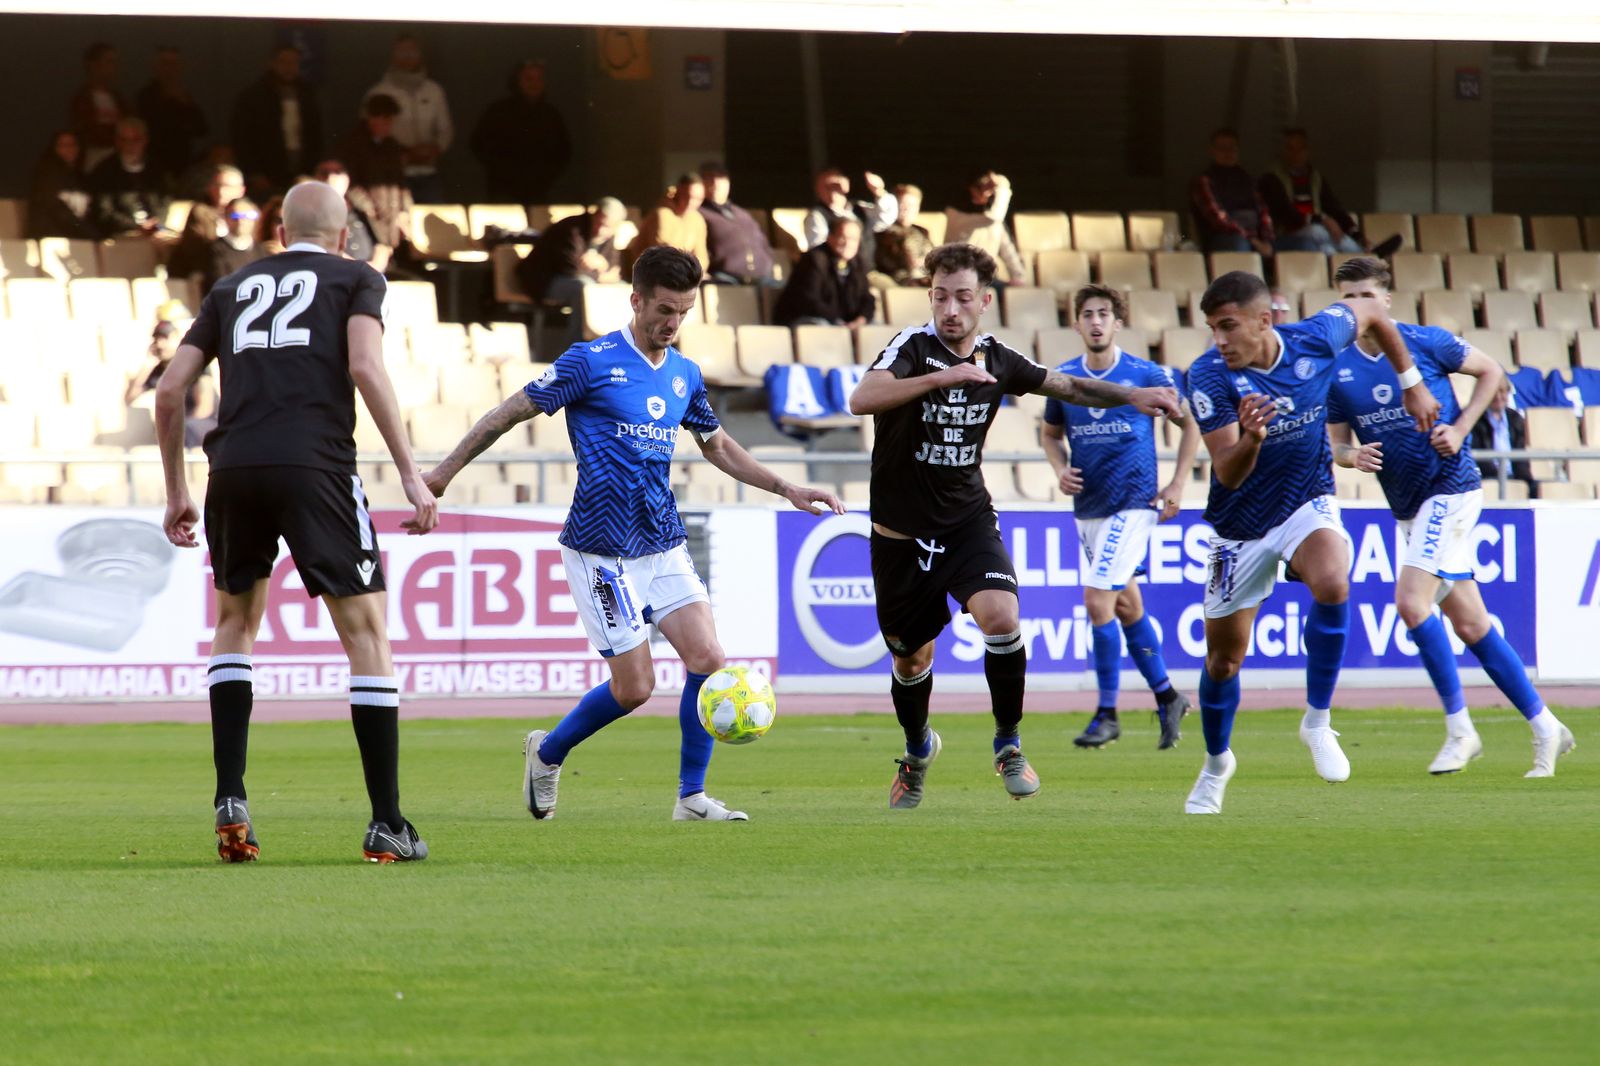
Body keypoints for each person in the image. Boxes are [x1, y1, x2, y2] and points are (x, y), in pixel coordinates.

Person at [421, 246, 843, 823]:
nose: (672, 323)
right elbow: (507, 413)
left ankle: (691, 798)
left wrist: (786, 488)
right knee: (635, 688)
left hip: (662, 540)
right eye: (664, 309)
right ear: (636, 300)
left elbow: (716, 446)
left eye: (684, 311)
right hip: (601, 549)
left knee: (707, 655)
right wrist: (442, 473)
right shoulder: (588, 361)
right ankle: (546, 754)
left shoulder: (684, 373)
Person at [154, 180, 438, 863]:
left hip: (235, 469)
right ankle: (388, 822)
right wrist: (408, 470)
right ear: (344, 235)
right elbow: (365, 366)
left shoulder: (230, 288)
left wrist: (176, 493)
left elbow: (168, 392)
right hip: (316, 466)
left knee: (233, 625)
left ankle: (230, 796)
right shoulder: (356, 278)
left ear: (280, 233)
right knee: (366, 633)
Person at [847, 244, 1180, 810]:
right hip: (901, 538)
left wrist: (1133, 395)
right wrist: (942, 378)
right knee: (912, 659)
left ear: (985, 302)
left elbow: (1068, 388)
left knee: (1001, 618)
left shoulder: (999, 359)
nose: (950, 308)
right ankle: (917, 751)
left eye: (962, 297)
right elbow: (863, 397)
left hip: (966, 524)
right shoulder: (913, 347)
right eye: (940, 296)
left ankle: (1008, 742)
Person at [1181, 271, 1439, 815]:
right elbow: (1227, 474)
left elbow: (1371, 311)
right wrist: (1252, 436)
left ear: (1264, 320)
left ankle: (1317, 721)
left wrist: (1412, 380)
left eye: (1228, 326)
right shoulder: (1207, 376)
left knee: (1332, 580)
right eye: (1212, 328)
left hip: (1305, 500)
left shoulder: (1316, 337)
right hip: (1239, 524)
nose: (1220, 340)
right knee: (1224, 662)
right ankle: (1216, 762)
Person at [1326, 257, 1575, 777]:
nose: (1358, 307)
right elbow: (1336, 444)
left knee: (1411, 603)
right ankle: (1547, 727)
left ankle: (1461, 731)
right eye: (1348, 298)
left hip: (1451, 488)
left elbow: (1492, 371)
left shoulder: (1426, 341)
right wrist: (1352, 458)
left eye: (1367, 295)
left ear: (1386, 300)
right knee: (1471, 623)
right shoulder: (1339, 367)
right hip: (1409, 507)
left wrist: (1461, 429)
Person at [1040, 285, 1198, 750]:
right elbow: (1050, 435)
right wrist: (1059, 468)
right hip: (1088, 507)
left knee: (1097, 601)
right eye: (1087, 314)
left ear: (1117, 322)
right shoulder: (1064, 379)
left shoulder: (1145, 374)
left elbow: (1189, 423)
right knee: (1127, 606)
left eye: (1103, 314)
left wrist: (1177, 484)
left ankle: (1106, 713)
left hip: (1134, 503)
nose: (1095, 322)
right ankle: (1168, 696)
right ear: (1076, 324)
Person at [515, 197, 625, 345]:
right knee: (584, 287)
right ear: (594, 214)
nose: (600, 229)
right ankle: (577, 348)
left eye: (607, 226)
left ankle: (615, 345)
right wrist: (599, 275)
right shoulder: (572, 229)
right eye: (599, 223)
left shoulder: (609, 234)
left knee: (622, 287)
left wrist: (601, 266)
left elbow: (613, 268)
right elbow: (570, 269)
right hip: (544, 280)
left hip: (581, 277)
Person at [362, 34, 452, 203]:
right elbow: (370, 134)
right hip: (393, 176)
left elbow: (445, 130)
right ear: (393, 55)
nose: (408, 58)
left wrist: (434, 149)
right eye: (403, 53)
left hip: (429, 173)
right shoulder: (379, 92)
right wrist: (404, 154)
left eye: (412, 52)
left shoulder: (434, 91)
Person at [469, 59, 571, 205]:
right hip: (504, 192)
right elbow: (478, 144)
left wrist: (545, 176)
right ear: (517, 81)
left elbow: (564, 151)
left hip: (539, 192)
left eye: (539, 79)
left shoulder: (551, 115)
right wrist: (502, 172)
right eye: (528, 79)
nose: (534, 84)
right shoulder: (498, 112)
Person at [231, 44, 323, 197]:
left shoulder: (307, 95)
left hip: (301, 167)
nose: (289, 67)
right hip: (267, 169)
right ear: (273, 63)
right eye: (284, 62)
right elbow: (242, 138)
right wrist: (254, 172)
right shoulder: (254, 96)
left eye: (293, 63)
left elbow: (316, 135)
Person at [1258, 129, 1364, 256]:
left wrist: (1356, 234)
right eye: (1290, 148)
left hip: (1317, 233)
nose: (1295, 154)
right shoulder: (1272, 178)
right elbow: (1285, 213)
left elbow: (1335, 208)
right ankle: (1363, 258)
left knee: (1328, 249)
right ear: (1283, 151)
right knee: (1318, 231)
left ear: (1307, 151)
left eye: (1300, 149)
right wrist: (1322, 219)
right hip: (1287, 235)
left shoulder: (1315, 178)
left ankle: (1363, 254)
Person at [337, 94, 413, 263]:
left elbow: (400, 183)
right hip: (366, 216)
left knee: (390, 256)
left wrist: (405, 211)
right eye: (385, 120)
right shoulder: (353, 145)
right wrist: (367, 206)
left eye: (391, 121)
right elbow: (350, 183)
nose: (388, 126)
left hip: (391, 213)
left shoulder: (392, 146)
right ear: (372, 118)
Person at [771, 216, 875, 329]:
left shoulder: (858, 263)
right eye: (843, 237)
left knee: (876, 329)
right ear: (830, 237)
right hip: (808, 318)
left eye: (854, 239)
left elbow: (867, 299)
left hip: (844, 322)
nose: (848, 243)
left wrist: (861, 319)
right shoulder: (814, 260)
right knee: (824, 328)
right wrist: (839, 322)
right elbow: (808, 300)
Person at [127, 319, 216, 446]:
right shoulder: (158, 371)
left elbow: (205, 407)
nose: (160, 344)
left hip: (207, 424)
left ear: (177, 338)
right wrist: (147, 364)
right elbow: (130, 398)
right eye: (157, 339)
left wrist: (178, 429)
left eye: (165, 338)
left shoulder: (194, 364)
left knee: (179, 430)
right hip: (180, 427)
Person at [1189, 129, 1274, 256]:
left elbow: (1263, 211)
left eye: (1232, 148)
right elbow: (1218, 219)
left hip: (1256, 238)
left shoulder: (1247, 179)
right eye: (1222, 148)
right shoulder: (1204, 180)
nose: (1227, 152)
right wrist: (1252, 240)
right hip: (1226, 239)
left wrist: (1267, 240)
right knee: (1238, 244)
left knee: (1300, 243)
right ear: (1212, 150)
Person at [136, 46, 208, 189]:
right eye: (165, 63)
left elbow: (202, 129)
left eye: (174, 64)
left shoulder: (184, 97)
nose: (170, 69)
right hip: (154, 164)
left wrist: (185, 103)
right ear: (156, 67)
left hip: (183, 165)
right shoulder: (146, 97)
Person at [87, 117, 170, 238]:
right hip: (121, 236)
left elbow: (167, 201)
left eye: (136, 140)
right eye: (124, 140)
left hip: (157, 232)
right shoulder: (104, 171)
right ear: (117, 141)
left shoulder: (157, 169)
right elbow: (104, 212)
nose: (130, 145)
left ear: (145, 140)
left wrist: (157, 222)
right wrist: (135, 226)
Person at [943, 170, 1027, 284]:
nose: (988, 193)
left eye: (991, 188)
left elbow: (1008, 250)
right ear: (971, 189)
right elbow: (994, 218)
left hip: (985, 278)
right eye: (981, 187)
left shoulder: (991, 219)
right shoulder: (954, 214)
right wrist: (1003, 186)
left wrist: (1019, 278)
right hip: (960, 279)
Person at [698, 162, 776, 285]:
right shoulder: (698, 214)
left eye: (721, 178)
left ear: (728, 183)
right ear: (700, 184)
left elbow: (764, 245)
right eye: (709, 178)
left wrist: (769, 265)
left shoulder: (743, 214)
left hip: (762, 278)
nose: (715, 183)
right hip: (725, 279)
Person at [168, 164, 246, 280]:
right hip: (207, 275)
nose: (221, 191)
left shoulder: (247, 212)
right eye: (217, 185)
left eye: (228, 186)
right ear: (209, 188)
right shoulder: (200, 212)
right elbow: (195, 249)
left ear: (241, 190)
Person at [625, 175, 710, 278]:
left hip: (682, 272)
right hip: (650, 274)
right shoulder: (662, 214)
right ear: (677, 192)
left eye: (697, 199)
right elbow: (663, 252)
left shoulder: (698, 219)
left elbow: (701, 256)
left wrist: (696, 270)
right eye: (687, 196)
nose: (690, 202)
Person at [803, 167, 894, 262]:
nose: (832, 190)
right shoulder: (816, 216)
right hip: (839, 272)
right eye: (826, 186)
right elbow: (818, 250)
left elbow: (886, 219)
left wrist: (879, 191)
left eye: (836, 185)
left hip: (866, 269)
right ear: (817, 190)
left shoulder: (859, 209)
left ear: (846, 185)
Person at [1470, 378, 1537, 498]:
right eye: (1493, 391)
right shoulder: (1474, 419)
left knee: (1538, 488)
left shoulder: (1515, 418)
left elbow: (1520, 454)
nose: (1498, 396)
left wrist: (1524, 481)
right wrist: (1499, 478)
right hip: (1488, 477)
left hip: (1515, 476)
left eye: (1502, 391)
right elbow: (1481, 458)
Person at [316, 161, 388, 273]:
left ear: (347, 178)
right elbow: (321, 248)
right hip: (338, 274)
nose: (331, 177)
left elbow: (383, 243)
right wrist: (360, 269)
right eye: (325, 173)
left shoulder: (362, 207)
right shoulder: (313, 211)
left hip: (374, 273)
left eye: (338, 172)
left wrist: (375, 266)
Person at [26, 130, 97, 240]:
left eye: (72, 144)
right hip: (51, 241)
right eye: (63, 145)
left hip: (79, 240)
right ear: (54, 148)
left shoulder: (82, 179)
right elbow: (57, 211)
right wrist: (91, 234)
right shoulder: (47, 176)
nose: (69, 149)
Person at [68, 42, 126, 171]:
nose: (114, 67)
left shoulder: (119, 99)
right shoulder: (83, 99)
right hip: (94, 161)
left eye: (114, 62)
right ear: (94, 65)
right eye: (109, 61)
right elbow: (86, 132)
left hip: (119, 160)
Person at [875, 183, 934, 286]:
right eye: (903, 205)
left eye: (912, 206)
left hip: (925, 275)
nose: (907, 210)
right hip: (899, 278)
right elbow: (884, 262)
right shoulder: (883, 231)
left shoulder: (922, 231)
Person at [204, 197, 263, 294]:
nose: (241, 220)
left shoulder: (261, 250)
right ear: (225, 218)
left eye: (248, 216)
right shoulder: (215, 250)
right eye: (235, 216)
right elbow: (220, 285)